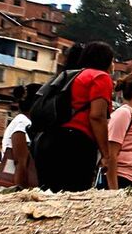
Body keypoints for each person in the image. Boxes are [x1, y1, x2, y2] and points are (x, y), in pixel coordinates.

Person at [36, 41, 119, 191]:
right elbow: (97, 116)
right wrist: (106, 154)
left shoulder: (74, 75)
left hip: (50, 140)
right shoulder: (101, 77)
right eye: (113, 60)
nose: (114, 65)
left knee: (50, 195)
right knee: (74, 195)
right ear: (106, 60)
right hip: (77, 143)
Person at [0, 86, 36, 189]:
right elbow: (20, 162)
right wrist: (23, 190)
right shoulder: (23, 123)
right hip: (15, 189)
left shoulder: (23, 121)